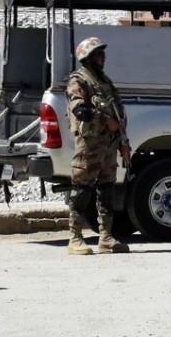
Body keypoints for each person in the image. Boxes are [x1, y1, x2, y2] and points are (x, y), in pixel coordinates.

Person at [65, 37, 132, 254]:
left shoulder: (105, 82)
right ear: (87, 58)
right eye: (98, 54)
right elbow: (81, 111)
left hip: (109, 146)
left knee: (107, 191)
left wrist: (124, 143)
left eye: (103, 54)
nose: (103, 58)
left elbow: (118, 116)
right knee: (82, 190)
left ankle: (106, 238)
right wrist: (105, 121)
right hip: (89, 146)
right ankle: (74, 238)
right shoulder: (79, 81)